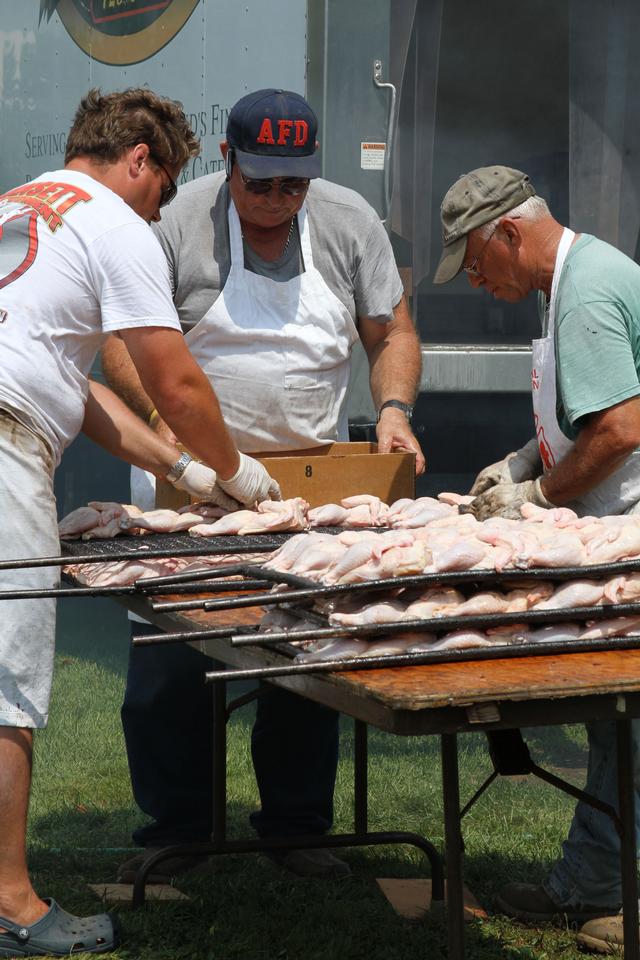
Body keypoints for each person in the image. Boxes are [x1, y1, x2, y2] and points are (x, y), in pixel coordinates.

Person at [101, 87, 425, 883]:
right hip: (190, 485)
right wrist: (159, 422)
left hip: (307, 489)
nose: (279, 201)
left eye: (295, 185)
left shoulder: (349, 223)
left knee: (304, 665)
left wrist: (392, 409)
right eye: (263, 184)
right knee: (170, 673)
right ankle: (179, 832)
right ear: (228, 161)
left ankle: (296, 826)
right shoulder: (179, 223)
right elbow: (119, 340)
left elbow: (394, 331)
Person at [0, 86, 279, 958]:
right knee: (6, 686)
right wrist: (237, 474)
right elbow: (177, 382)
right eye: (163, 189)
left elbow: (73, 384)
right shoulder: (115, 222)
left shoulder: (19, 203)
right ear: (140, 161)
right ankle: (12, 906)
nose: (158, 210)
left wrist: (183, 468)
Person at [434, 164, 640, 952]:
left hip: (627, 523)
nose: (479, 282)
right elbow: (588, 417)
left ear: (510, 234)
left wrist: (541, 500)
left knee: (634, 726)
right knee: (618, 729)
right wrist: (528, 458)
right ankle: (590, 883)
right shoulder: (570, 281)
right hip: (615, 531)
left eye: (478, 263)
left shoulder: (584, 291)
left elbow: (621, 431)